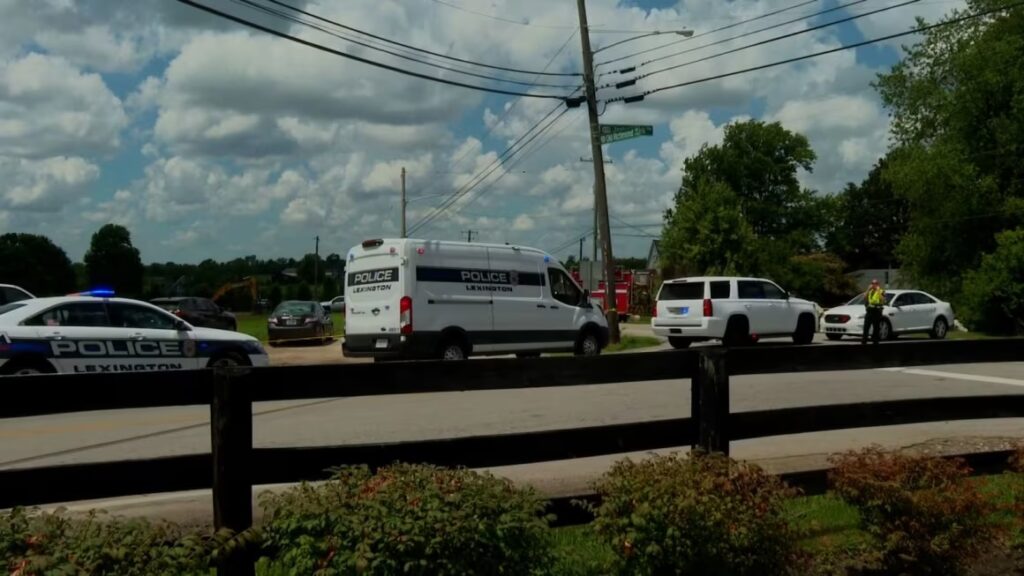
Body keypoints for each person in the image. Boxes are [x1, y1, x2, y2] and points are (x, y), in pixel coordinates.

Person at [862, 279, 886, 344]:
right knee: (866, 327)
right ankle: (864, 341)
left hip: (877, 311)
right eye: (872, 283)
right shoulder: (870, 291)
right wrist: (867, 289)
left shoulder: (881, 291)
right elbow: (864, 297)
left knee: (876, 328)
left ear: (878, 284)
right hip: (869, 311)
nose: (874, 285)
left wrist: (878, 291)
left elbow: (883, 300)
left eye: (875, 283)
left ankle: (875, 341)